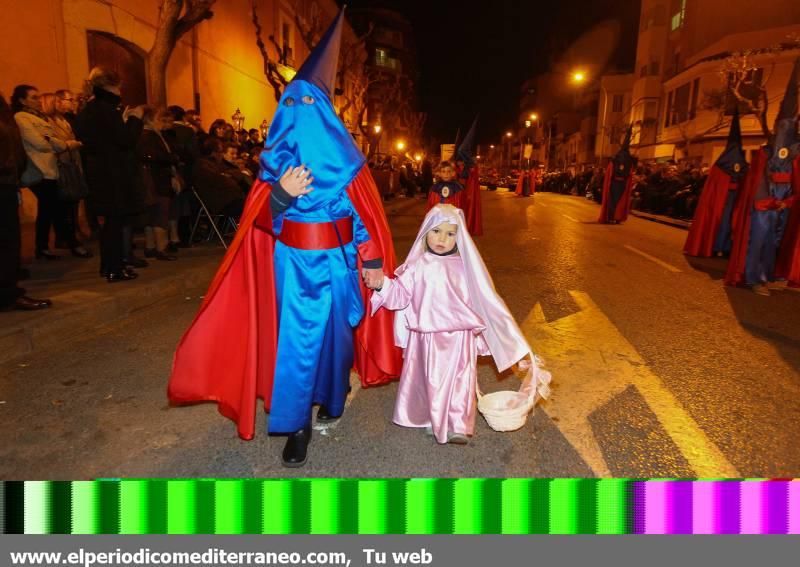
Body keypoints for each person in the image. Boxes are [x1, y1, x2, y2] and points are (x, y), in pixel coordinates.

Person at [168, 9, 402, 467]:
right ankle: (296, 425)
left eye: (309, 104)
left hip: (338, 265)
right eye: (289, 105)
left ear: (326, 112)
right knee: (297, 343)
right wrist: (280, 194)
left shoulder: (348, 163)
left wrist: (371, 263)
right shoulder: (273, 166)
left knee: (335, 339)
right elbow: (257, 221)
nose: (297, 114)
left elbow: (365, 221)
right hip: (291, 267)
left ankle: (332, 397)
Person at [369, 205, 551, 444]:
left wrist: (506, 337)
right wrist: (382, 283)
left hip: (459, 338)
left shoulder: (466, 267)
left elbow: (484, 300)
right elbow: (400, 296)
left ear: (459, 237)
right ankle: (431, 418)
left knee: (460, 380)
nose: (442, 238)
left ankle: (457, 424)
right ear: (425, 232)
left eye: (450, 233)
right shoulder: (417, 266)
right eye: (436, 231)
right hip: (426, 338)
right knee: (428, 378)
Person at [725, 58, 800, 295]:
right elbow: (760, 181)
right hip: (765, 199)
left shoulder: (794, 151)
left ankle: (768, 274)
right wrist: (769, 201)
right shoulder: (766, 154)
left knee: (773, 241)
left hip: (784, 198)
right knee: (759, 239)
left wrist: (786, 201)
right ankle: (752, 278)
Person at [73, 67, 145, 282]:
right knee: (114, 223)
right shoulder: (105, 109)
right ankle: (114, 268)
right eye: (118, 87)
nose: (121, 92)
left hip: (100, 172)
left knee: (110, 224)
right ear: (110, 86)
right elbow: (125, 140)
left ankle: (110, 266)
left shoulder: (89, 109)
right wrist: (135, 119)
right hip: (112, 174)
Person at [12, 85, 88, 260]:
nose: (38, 101)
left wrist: (55, 142)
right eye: (33, 97)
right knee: (56, 208)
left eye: (38, 97)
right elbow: (41, 143)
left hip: (49, 169)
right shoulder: (22, 118)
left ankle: (43, 247)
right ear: (22, 100)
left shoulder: (37, 118)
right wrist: (65, 144)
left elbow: (50, 139)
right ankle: (71, 244)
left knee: (48, 209)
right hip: (39, 170)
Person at [0, 93, 51, 311]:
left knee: (9, 240)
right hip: (2, 181)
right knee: (6, 241)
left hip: (7, 182)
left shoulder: (4, 114)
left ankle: (8, 291)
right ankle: (8, 294)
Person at [684, 113, 748, 258]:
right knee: (722, 220)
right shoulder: (722, 165)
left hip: (735, 198)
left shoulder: (731, 165)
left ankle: (726, 246)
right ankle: (718, 245)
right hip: (724, 198)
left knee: (732, 221)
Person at [40, 92, 92, 257]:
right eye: (57, 101)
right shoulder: (48, 122)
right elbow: (57, 144)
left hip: (70, 164)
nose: (62, 104)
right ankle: (69, 241)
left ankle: (70, 238)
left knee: (71, 204)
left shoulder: (63, 120)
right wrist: (71, 144)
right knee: (62, 207)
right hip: (61, 166)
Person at [136, 107, 181, 261]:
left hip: (155, 179)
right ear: (150, 120)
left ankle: (150, 247)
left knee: (152, 214)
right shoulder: (148, 135)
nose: (163, 124)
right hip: (156, 180)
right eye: (160, 120)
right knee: (160, 213)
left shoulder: (153, 135)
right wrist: (171, 158)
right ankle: (161, 248)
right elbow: (153, 156)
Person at [598, 125, 636, 224]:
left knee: (613, 201)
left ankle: (611, 217)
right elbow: (630, 174)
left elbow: (609, 173)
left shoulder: (615, 160)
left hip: (614, 183)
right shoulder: (629, 161)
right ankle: (617, 217)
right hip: (623, 184)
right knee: (620, 201)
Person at [455, 116, 483, 235]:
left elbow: (469, 176)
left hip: (467, 192)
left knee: (468, 208)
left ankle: (467, 226)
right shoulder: (459, 167)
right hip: (461, 191)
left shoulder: (471, 167)